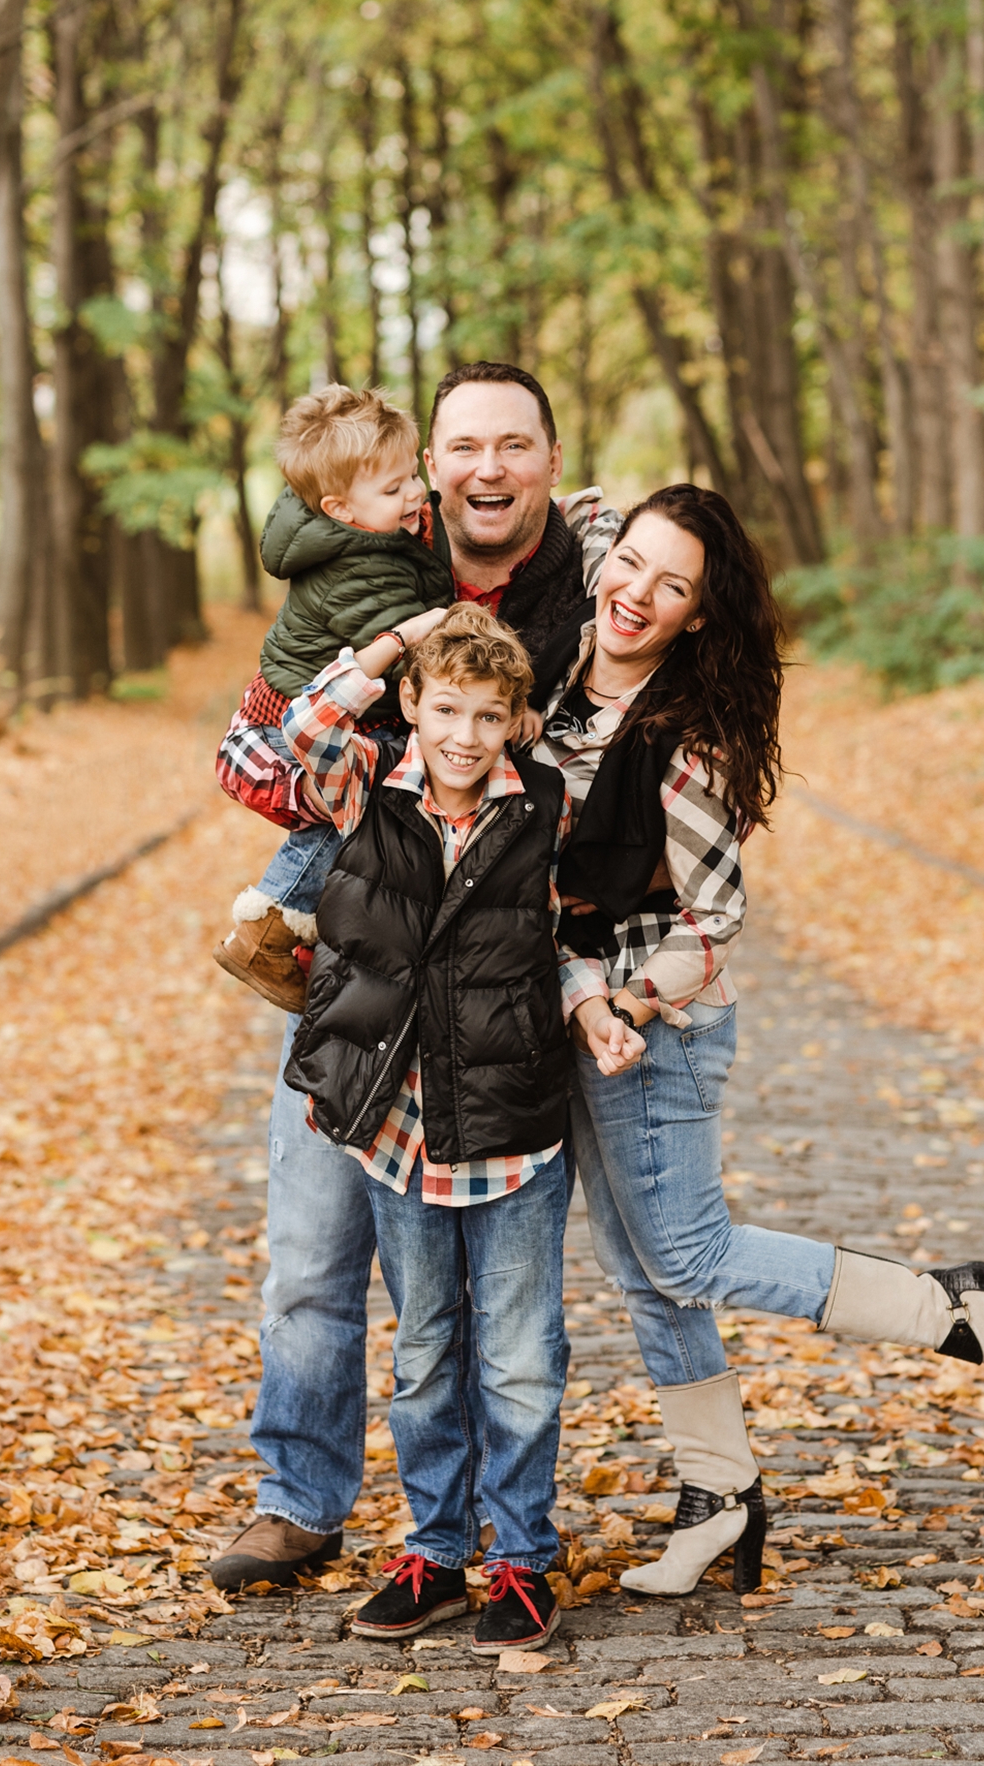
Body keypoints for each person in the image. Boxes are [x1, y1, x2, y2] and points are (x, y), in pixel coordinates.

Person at [531, 484, 984, 1600]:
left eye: (672, 587)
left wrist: (626, 1008)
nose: (637, 593)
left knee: (688, 1256)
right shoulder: (564, 654)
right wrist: (590, 519)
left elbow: (713, 923)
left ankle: (948, 1307)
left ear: (699, 619)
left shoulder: (685, 745)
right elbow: (580, 514)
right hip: (568, 1009)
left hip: (652, 1024)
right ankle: (720, 1497)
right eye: (630, 565)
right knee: (642, 1276)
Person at [209, 364, 621, 1591]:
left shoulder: (584, 596)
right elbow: (265, 745)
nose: (487, 467)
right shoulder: (379, 559)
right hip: (357, 979)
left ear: (549, 458)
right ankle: (300, 1498)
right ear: (430, 472)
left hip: (497, 997)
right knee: (310, 1261)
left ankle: (497, 1537)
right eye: (463, 448)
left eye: (513, 445)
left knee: (496, 1315)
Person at [274, 604, 575, 1652]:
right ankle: (435, 1553)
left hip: (511, 1124)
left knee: (520, 1358)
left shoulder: (542, 804)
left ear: (513, 724)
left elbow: (572, 928)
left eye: (488, 716)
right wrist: (405, 638)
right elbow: (304, 725)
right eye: (445, 709)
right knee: (427, 1355)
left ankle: (524, 1563)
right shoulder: (368, 788)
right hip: (395, 1128)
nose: (462, 735)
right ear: (412, 706)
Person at [213, 384, 452, 1013]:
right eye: (394, 488)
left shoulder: (356, 532)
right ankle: (265, 931)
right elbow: (416, 650)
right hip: (293, 718)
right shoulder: (359, 569)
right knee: (361, 796)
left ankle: (294, 926)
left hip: (309, 703)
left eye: (412, 476)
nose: (414, 495)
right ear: (340, 508)